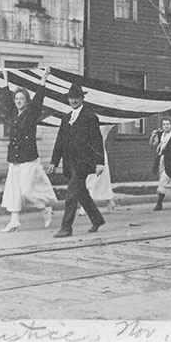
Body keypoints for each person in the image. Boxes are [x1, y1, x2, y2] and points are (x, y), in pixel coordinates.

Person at [0, 69, 58, 233]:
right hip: (14, 159)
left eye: (21, 99)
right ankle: (14, 221)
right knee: (14, 191)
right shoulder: (12, 113)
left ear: (26, 101)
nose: (18, 101)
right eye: (16, 99)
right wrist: (5, 80)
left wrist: (44, 80)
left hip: (29, 159)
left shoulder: (31, 113)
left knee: (27, 190)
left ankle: (44, 208)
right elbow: (6, 99)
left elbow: (39, 98)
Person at [49, 82, 106, 237]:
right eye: (71, 98)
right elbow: (60, 140)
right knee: (81, 193)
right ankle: (97, 219)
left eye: (76, 98)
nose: (73, 101)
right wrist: (54, 161)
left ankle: (66, 227)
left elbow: (97, 141)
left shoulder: (90, 117)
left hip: (83, 162)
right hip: (69, 162)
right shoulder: (66, 117)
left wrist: (100, 162)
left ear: (82, 99)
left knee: (71, 194)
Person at [79, 125, 116, 215]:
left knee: (96, 179)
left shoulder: (103, 124)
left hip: (98, 153)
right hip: (86, 153)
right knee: (90, 178)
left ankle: (86, 206)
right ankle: (109, 201)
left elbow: (111, 122)